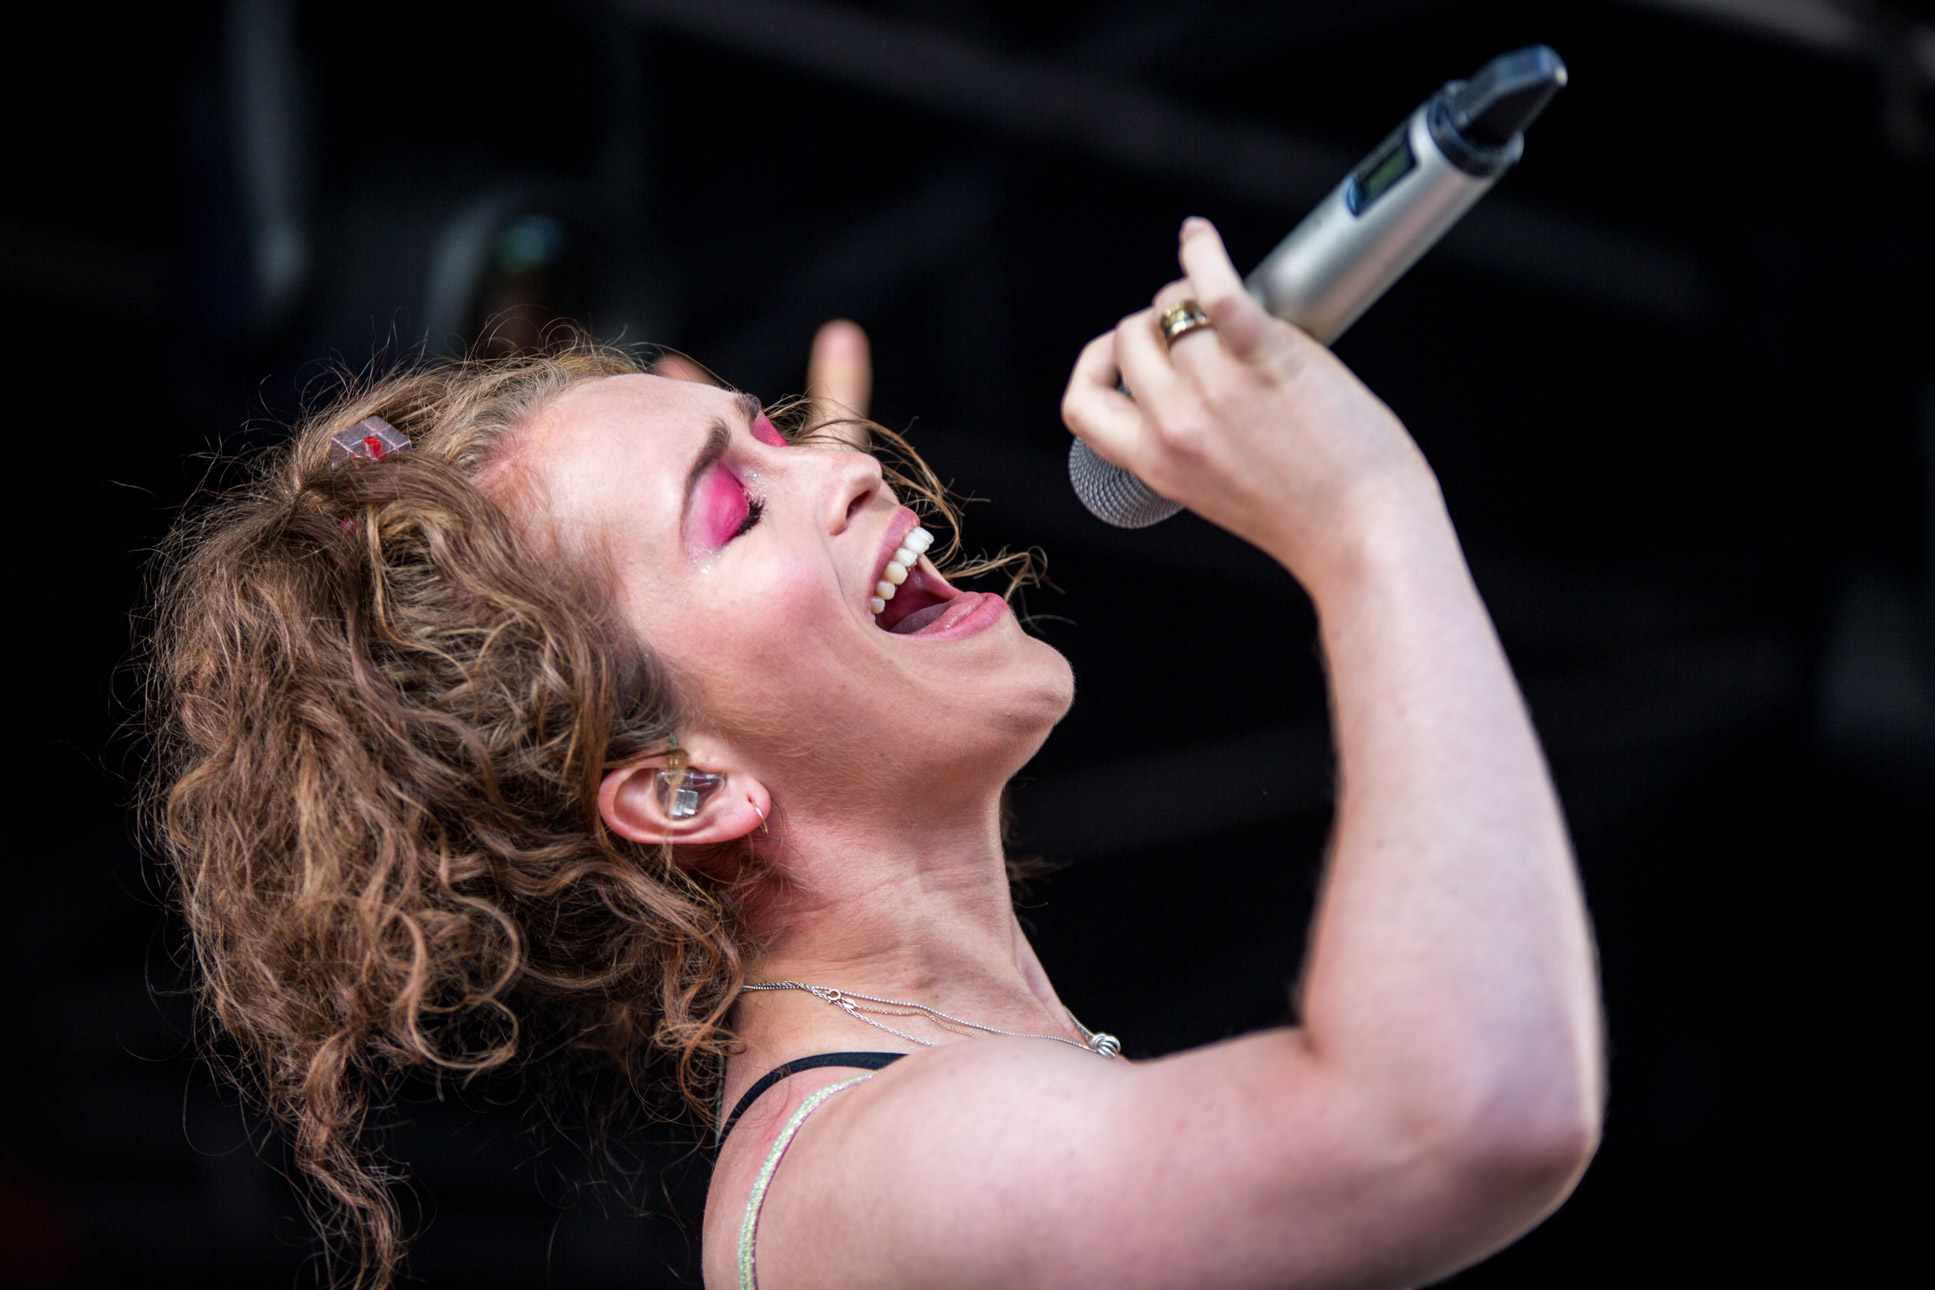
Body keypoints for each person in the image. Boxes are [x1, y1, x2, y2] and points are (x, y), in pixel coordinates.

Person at [148, 217, 1602, 1290]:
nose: (848, 465)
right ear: (682, 790)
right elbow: (1458, 1114)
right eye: (733, 506)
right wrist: (1363, 519)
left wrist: (821, 658)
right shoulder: (875, 1170)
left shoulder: (909, 1079)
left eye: (774, 431)